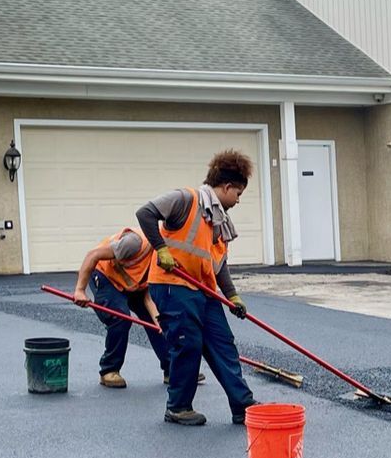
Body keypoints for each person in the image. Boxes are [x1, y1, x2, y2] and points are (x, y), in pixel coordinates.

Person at [138, 150, 261, 427]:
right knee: (187, 344)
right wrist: (161, 248)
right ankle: (178, 407)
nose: (239, 200)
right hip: (172, 286)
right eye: (238, 194)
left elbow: (219, 264)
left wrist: (233, 296)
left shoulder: (219, 221)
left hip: (202, 291)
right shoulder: (186, 199)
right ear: (227, 187)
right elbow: (145, 213)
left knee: (222, 344)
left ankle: (242, 405)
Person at [71, 228, 172, 389]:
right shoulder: (134, 243)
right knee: (120, 317)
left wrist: (158, 320)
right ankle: (109, 370)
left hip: (132, 284)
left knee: (161, 324)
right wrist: (80, 290)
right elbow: (93, 255)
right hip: (106, 276)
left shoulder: (161, 260)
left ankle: (172, 369)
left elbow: (147, 295)